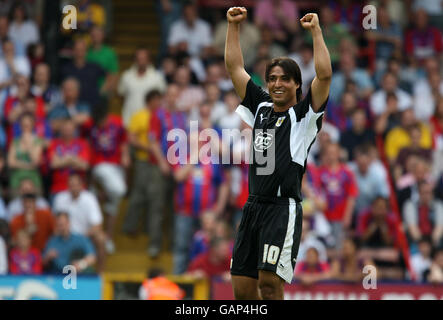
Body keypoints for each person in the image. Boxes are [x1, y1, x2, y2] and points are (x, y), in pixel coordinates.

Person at [225, 7, 331, 300]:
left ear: (297, 84)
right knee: (243, 290)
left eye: (285, 79)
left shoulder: (304, 115)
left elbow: (324, 75)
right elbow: (234, 68)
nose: (277, 84)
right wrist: (232, 27)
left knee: (269, 285)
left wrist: (316, 32)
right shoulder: (259, 106)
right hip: (253, 207)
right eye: (272, 78)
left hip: (282, 210)